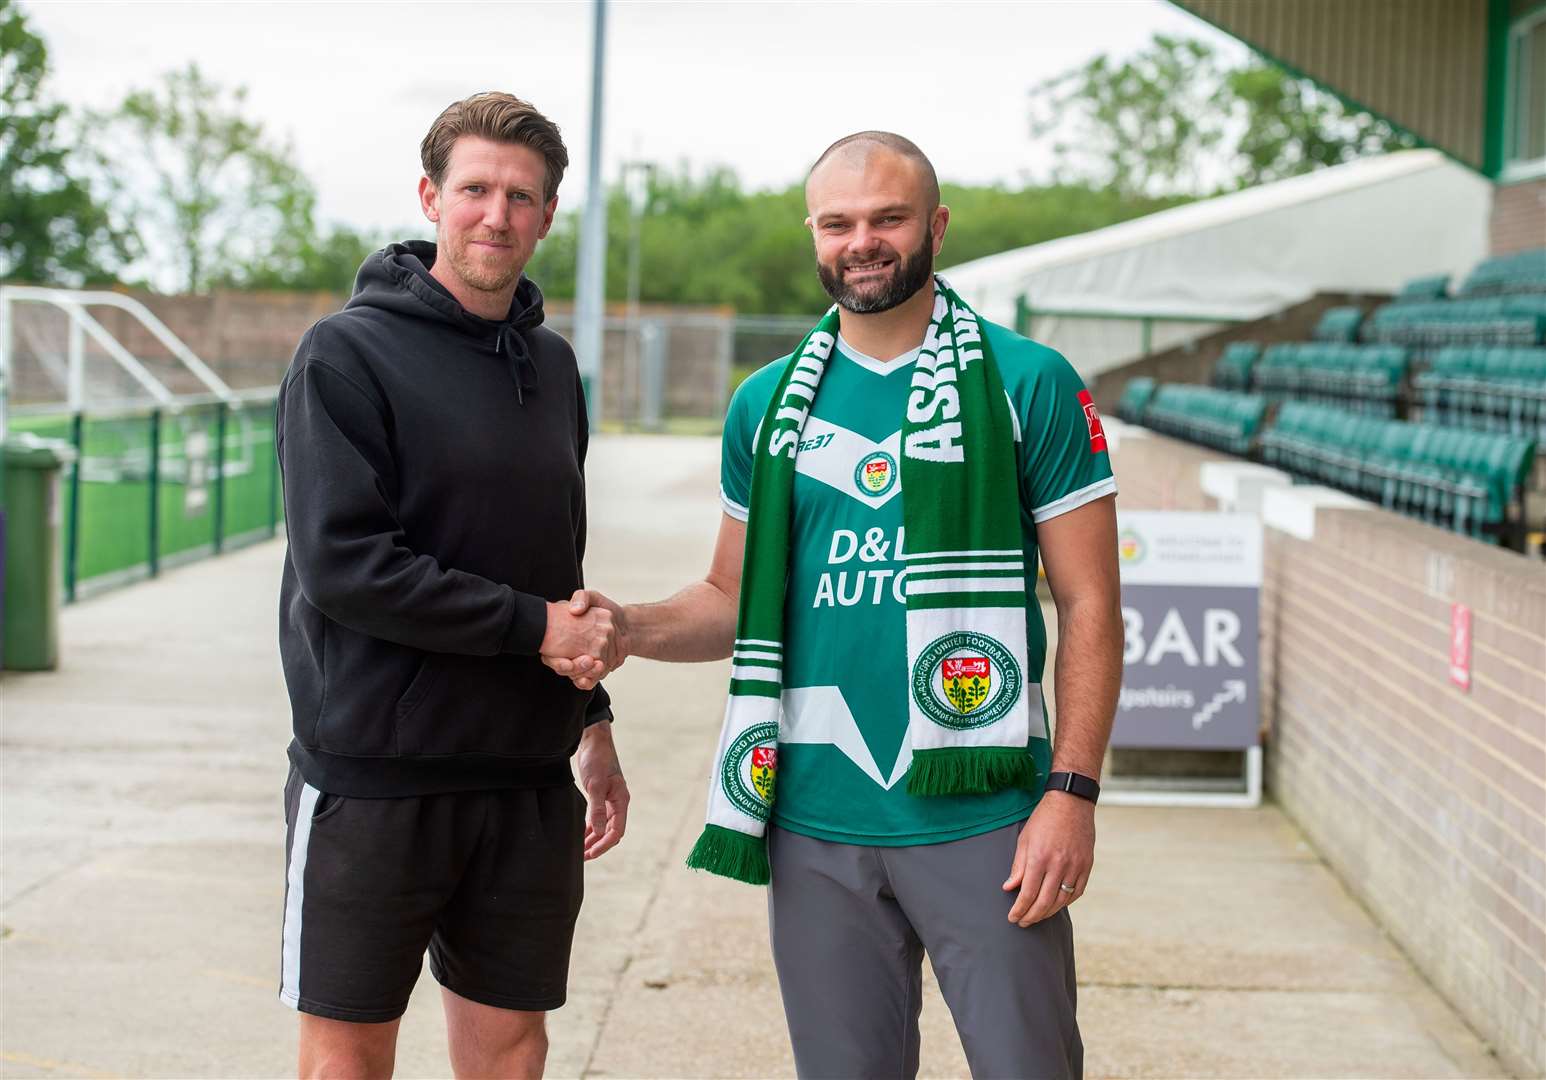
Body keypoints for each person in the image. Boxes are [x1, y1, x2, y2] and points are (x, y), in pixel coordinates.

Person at [547, 132, 1121, 1079]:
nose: (865, 241)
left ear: (934, 226)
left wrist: (1072, 793)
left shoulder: (1032, 383)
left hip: (986, 813)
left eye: (888, 218)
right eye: (840, 222)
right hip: (814, 814)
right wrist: (629, 627)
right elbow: (735, 599)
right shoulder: (766, 404)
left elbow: (1091, 604)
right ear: (814, 234)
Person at [275, 92, 629, 1080]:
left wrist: (590, 719)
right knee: (346, 1061)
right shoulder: (343, 356)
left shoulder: (552, 370)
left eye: (521, 197)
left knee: (512, 1051)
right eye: (474, 189)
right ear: (431, 196)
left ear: (547, 216)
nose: (496, 215)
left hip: (523, 779)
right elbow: (346, 565)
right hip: (375, 780)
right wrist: (534, 629)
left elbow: (556, 569)